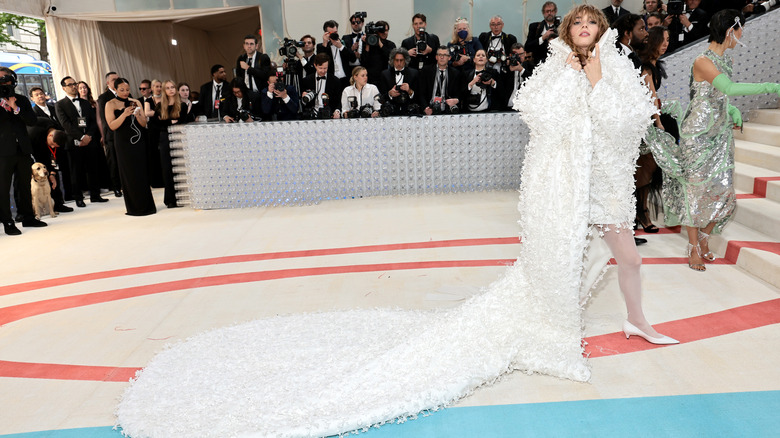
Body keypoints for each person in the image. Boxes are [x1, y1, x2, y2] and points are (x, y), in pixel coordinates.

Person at [116, 7, 680, 437]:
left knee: (626, 254)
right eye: (576, 23)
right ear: (566, 33)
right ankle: (557, 329)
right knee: (556, 263)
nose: (582, 27)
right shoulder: (551, 69)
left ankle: (636, 319)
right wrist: (578, 85)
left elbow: (625, 115)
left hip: (601, 182)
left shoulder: (619, 67)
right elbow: (536, 113)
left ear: (602, 30)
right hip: (561, 185)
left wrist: (601, 69)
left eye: (590, 23)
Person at [650, 10, 780, 271]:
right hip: (697, 136)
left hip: (719, 134)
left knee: (723, 190)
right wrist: (771, 86)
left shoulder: (725, 61)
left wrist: (730, 110)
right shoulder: (702, 60)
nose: (742, 36)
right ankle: (693, 247)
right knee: (696, 191)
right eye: (740, 30)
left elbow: (719, 94)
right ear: (731, 31)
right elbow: (728, 88)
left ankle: (706, 238)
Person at [635, 26, 676, 235]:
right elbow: (650, 99)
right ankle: (641, 212)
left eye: (668, 40)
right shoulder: (645, 67)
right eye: (663, 40)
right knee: (644, 169)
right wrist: (659, 123)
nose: (666, 44)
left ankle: (640, 212)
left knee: (647, 169)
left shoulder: (654, 65)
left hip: (649, 121)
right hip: (643, 124)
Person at [0, 67, 47, 234]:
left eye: (6, 79)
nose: (4, 83)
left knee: (24, 185)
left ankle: (27, 217)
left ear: (13, 81)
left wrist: (15, 107)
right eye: (0, 80)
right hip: (3, 152)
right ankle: (7, 222)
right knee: (3, 188)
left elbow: (32, 121)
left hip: (23, 149)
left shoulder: (21, 100)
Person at [104, 78, 156, 216]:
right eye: (122, 90)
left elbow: (144, 124)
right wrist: (124, 114)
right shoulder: (110, 104)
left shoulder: (136, 101)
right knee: (128, 173)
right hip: (122, 143)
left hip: (138, 141)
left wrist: (138, 114)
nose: (126, 92)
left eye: (127, 90)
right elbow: (112, 125)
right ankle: (134, 207)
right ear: (115, 89)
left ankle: (147, 205)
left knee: (141, 171)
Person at [55, 76, 107, 208]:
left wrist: (88, 135)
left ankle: (95, 195)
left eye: (75, 84)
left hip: (90, 141)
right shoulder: (60, 104)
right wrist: (81, 137)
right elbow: (65, 124)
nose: (74, 86)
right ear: (64, 88)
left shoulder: (85, 102)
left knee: (93, 169)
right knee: (76, 171)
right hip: (73, 142)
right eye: (70, 84)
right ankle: (78, 197)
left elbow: (92, 122)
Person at [154, 80, 191, 209]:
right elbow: (157, 125)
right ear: (164, 90)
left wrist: (167, 122)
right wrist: (171, 122)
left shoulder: (182, 105)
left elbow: (182, 122)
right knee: (167, 168)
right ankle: (170, 199)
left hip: (178, 137)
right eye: (168, 88)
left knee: (179, 168)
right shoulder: (159, 106)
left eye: (173, 87)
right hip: (164, 139)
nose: (171, 90)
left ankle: (182, 197)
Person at [96, 71, 122, 197]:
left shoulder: (125, 94)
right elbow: (104, 119)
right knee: (114, 162)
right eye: (113, 80)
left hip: (125, 134)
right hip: (111, 134)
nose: (116, 81)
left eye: (118, 79)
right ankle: (116, 187)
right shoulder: (103, 97)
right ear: (108, 83)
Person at [419, 46, 464, 115]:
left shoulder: (455, 73)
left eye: (445, 55)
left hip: (448, 111)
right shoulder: (426, 71)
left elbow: (460, 93)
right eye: (440, 55)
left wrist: (456, 100)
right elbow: (421, 92)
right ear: (436, 57)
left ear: (449, 58)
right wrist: (425, 108)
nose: (442, 57)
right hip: (429, 110)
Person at [317, 20, 357, 89]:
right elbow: (321, 62)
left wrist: (341, 47)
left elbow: (353, 59)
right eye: (331, 33)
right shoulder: (321, 46)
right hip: (331, 79)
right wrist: (325, 44)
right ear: (326, 33)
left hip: (345, 79)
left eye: (335, 32)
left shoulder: (344, 43)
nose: (333, 35)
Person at [378, 48, 419, 115]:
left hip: (409, 112)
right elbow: (381, 96)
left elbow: (419, 96)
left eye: (401, 60)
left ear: (405, 61)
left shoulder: (414, 73)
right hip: (391, 112)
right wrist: (390, 94)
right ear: (392, 60)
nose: (399, 63)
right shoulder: (385, 74)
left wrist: (409, 91)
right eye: (396, 60)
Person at [359, 20, 395, 86]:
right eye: (382, 31)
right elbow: (363, 62)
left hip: (384, 79)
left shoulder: (390, 44)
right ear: (377, 31)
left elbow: (390, 57)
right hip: (370, 80)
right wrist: (367, 43)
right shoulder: (368, 45)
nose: (385, 33)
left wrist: (379, 43)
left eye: (386, 30)